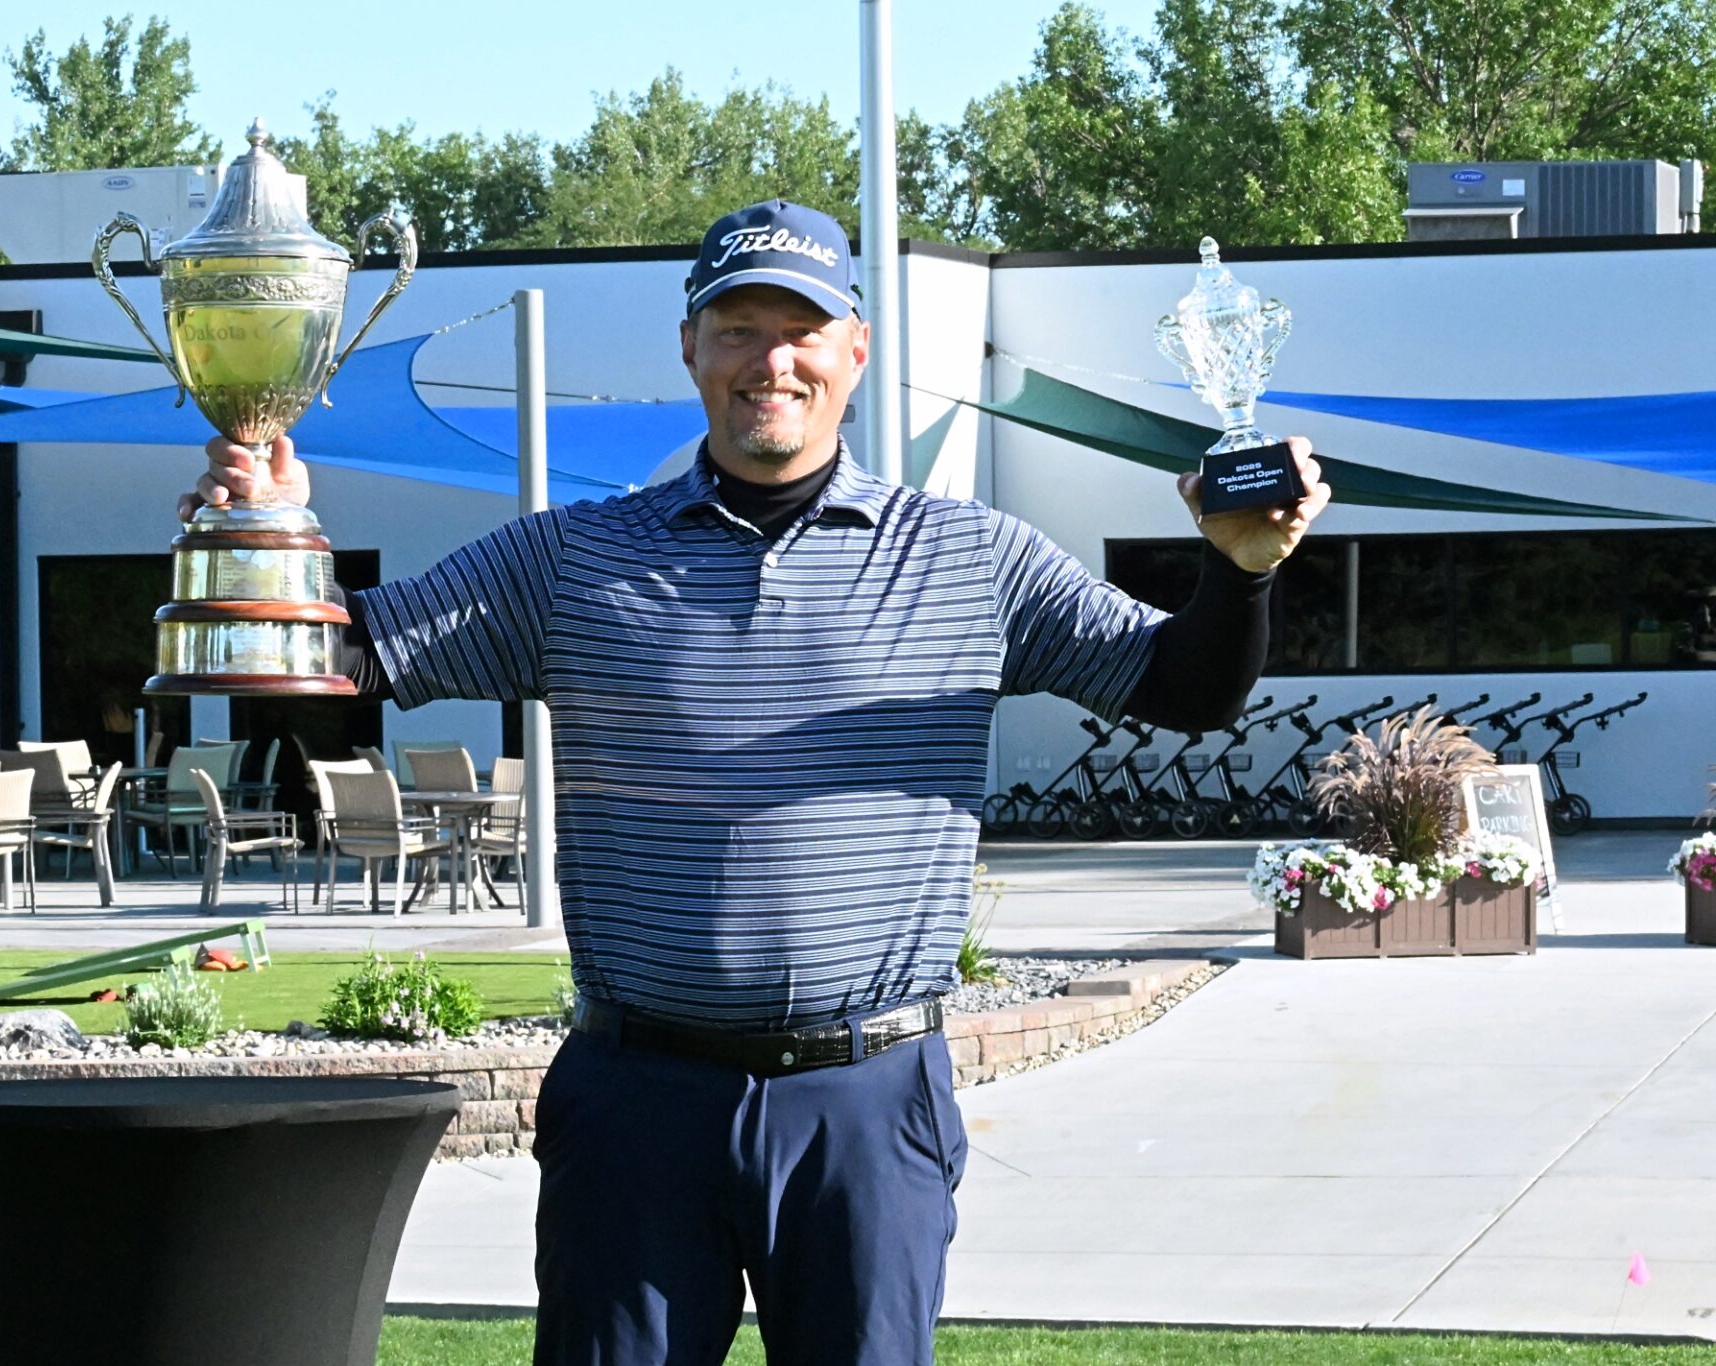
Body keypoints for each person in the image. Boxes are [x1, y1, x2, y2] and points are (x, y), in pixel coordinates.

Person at [185, 199, 1330, 1365]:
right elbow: (329, 669)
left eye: (800, 329)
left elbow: (1182, 688)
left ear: (854, 350)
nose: (768, 361)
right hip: (639, 1102)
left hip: (869, 1104)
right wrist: (266, 536)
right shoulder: (574, 557)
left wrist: (1238, 577)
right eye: (737, 328)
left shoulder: (969, 557)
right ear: (690, 347)